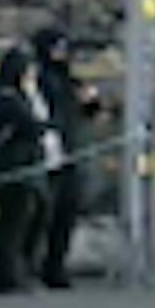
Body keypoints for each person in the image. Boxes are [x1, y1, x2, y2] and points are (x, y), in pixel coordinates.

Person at [0, 48, 51, 293]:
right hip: (13, 168)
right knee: (13, 225)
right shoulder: (7, 99)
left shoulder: (14, 97)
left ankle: (19, 271)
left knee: (25, 222)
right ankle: (9, 276)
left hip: (22, 166)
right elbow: (31, 126)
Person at [33, 29, 100, 290]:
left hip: (71, 149)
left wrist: (89, 102)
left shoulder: (68, 78)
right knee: (43, 211)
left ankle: (55, 264)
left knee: (66, 211)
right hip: (50, 149)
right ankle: (35, 261)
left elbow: (85, 111)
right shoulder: (42, 78)